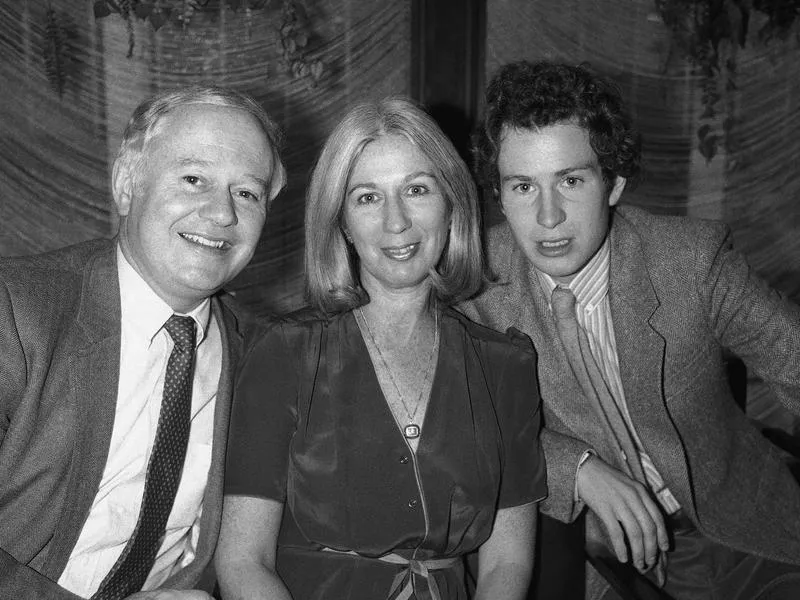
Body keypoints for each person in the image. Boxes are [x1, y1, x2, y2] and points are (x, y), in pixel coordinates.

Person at [460, 59, 800, 600]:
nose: (548, 217)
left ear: (613, 182)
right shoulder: (476, 286)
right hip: (595, 559)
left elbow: (793, 360)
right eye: (523, 186)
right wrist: (579, 468)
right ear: (498, 195)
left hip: (743, 533)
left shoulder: (691, 261)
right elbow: (466, 428)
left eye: (571, 180)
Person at [215, 97, 546, 600]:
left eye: (417, 190)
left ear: (452, 202)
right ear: (342, 221)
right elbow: (243, 561)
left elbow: (506, 564)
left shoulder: (507, 365)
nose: (397, 222)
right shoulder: (283, 353)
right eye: (367, 197)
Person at [0, 85, 285, 599]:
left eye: (247, 192)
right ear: (127, 185)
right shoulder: (16, 310)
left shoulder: (261, 354)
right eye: (194, 178)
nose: (222, 214)